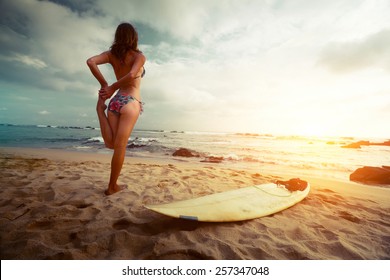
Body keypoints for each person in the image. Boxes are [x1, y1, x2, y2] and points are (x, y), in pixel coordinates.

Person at [87, 22, 146, 195]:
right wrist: (110, 86)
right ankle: (112, 187)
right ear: (133, 38)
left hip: (116, 101)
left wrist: (105, 84)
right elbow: (133, 74)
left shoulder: (111, 55)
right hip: (130, 100)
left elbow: (91, 62)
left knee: (111, 143)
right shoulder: (138, 56)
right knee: (119, 146)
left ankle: (99, 110)